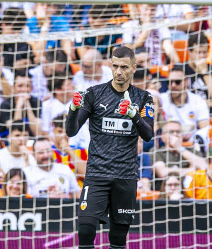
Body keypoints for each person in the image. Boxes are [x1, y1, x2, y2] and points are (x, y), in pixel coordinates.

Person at [66, 46, 154, 248]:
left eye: (124, 67)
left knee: (117, 238)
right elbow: (71, 131)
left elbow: (148, 135)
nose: (118, 72)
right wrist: (72, 110)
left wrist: (134, 116)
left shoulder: (143, 98)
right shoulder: (93, 94)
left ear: (133, 68)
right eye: (115, 66)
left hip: (125, 176)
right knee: (86, 230)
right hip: (97, 174)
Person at [160, 65, 210, 142]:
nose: (173, 85)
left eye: (177, 82)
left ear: (186, 82)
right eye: (169, 82)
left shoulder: (197, 101)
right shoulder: (161, 99)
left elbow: (205, 129)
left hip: (191, 144)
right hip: (166, 144)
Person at [152, 121, 206, 187]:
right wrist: (192, 170)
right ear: (163, 137)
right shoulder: (157, 152)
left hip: (191, 192)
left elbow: (204, 167)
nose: (175, 134)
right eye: (171, 132)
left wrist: (179, 148)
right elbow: (163, 173)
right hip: (166, 193)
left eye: (178, 132)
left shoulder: (191, 150)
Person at [185, 33, 212, 108]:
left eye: (204, 52)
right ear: (189, 52)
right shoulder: (182, 70)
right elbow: (183, 99)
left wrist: (205, 72)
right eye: (198, 52)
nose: (202, 56)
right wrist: (207, 103)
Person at [0, 71, 42, 137]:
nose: (23, 89)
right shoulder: (6, 105)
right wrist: (19, 105)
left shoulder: (36, 102)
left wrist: (27, 105)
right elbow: (15, 130)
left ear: (31, 88)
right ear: (13, 88)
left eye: (27, 86)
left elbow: (37, 133)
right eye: (20, 86)